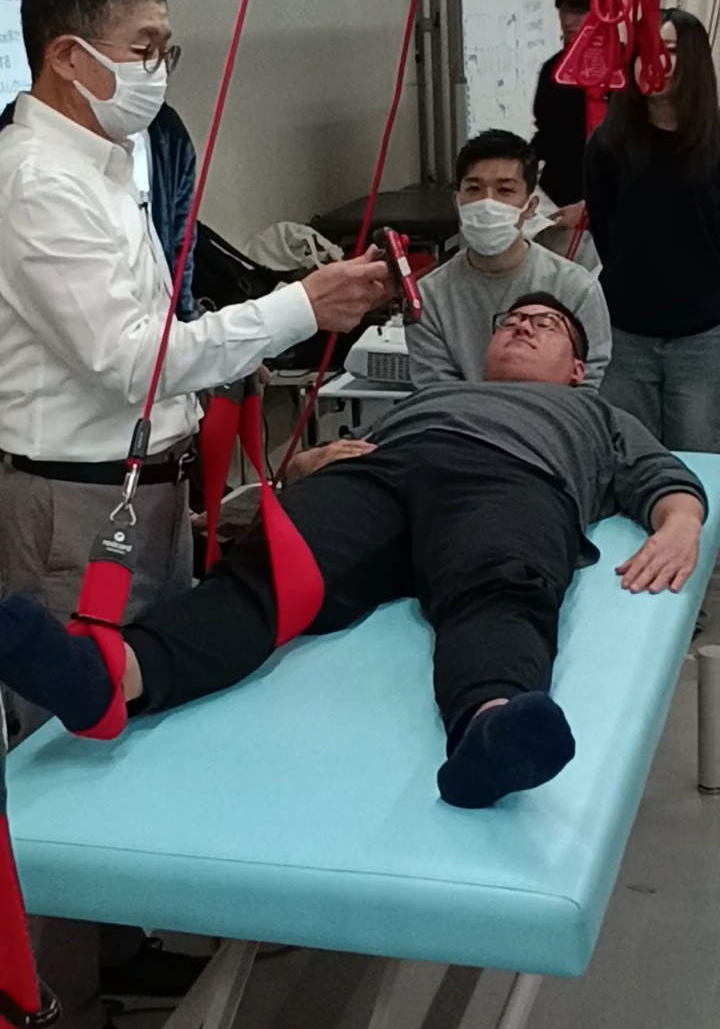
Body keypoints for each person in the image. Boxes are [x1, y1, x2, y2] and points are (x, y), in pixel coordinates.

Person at [0, 0, 389, 1029]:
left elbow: (159, 341)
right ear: (70, 56)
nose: (161, 70)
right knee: (69, 739)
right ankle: (62, 1015)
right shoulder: (35, 181)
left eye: (167, 46)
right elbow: (131, 361)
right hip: (72, 502)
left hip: (143, 492)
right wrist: (299, 307)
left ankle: (120, 941)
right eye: (146, 47)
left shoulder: (103, 160)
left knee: (143, 709)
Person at [1, 292, 705, 823]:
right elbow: (301, 470)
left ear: (578, 370)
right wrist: (306, 465)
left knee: (498, 585)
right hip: (379, 474)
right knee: (271, 572)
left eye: (543, 325)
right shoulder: (433, 395)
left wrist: (682, 525)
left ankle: (489, 730)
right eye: (512, 321)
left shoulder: (596, 414)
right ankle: (109, 676)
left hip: (511, 478)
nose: (521, 327)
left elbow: (663, 477)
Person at [586, 8, 720, 450]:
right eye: (645, 50)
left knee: (697, 456)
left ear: (694, 60)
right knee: (628, 455)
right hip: (625, 333)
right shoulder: (608, 144)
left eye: (672, 51)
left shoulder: (714, 144)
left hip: (703, 337)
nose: (656, 62)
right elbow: (605, 231)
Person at [406, 129, 611, 391]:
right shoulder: (427, 297)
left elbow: (588, 382)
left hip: (552, 414)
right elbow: (436, 391)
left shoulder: (576, 288)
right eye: (474, 189)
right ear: (457, 202)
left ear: (530, 206)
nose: (487, 203)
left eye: (505, 190)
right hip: (461, 416)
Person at [0, 95, 199, 322]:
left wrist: (185, 318)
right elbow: (114, 338)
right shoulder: (36, 177)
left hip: (152, 324)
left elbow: (181, 244)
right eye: (141, 58)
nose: (156, 76)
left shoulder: (166, 133)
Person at [532, 0, 593, 239]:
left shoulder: (625, 70)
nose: (568, 20)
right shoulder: (552, 69)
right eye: (563, 10)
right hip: (557, 204)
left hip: (612, 208)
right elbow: (546, 134)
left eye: (579, 11)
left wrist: (590, 209)